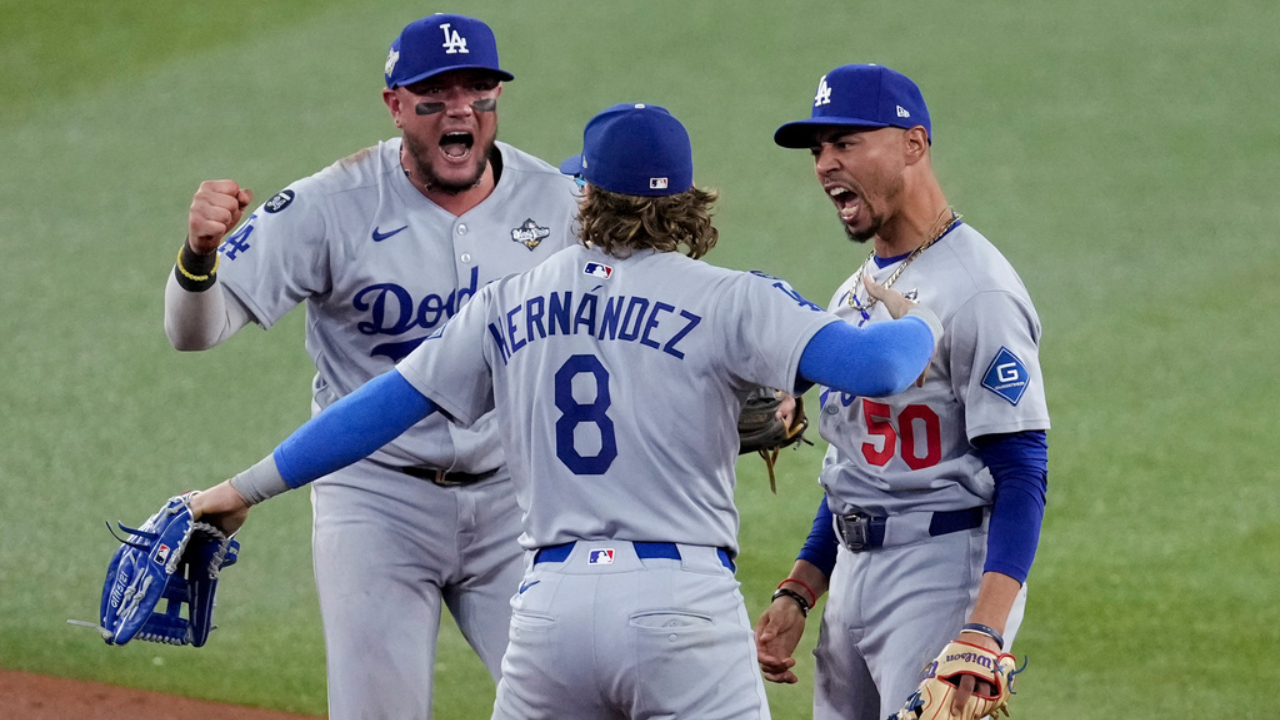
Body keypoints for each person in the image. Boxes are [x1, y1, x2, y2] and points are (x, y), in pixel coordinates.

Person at [185, 102, 943, 720]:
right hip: (679, 608)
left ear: (583, 196)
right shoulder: (733, 298)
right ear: (685, 201)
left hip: (549, 616)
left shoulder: (509, 300)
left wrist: (239, 490)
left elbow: (375, 411)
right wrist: (924, 314)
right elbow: (881, 366)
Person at [163, 14, 580, 719]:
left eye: (479, 91)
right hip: (377, 503)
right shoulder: (331, 204)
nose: (460, 111)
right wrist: (198, 255)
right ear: (394, 106)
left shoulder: (559, 203)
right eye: (434, 96)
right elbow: (194, 332)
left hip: (520, 500)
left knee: (574, 705)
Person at [753, 63, 1051, 720]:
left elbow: (1023, 472)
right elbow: (857, 472)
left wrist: (985, 629)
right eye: (817, 150)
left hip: (942, 572)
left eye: (846, 142)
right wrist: (802, 586)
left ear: (913, 144)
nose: (826, 164)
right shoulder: (853, 291)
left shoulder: (980, 290)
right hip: (853, 581)